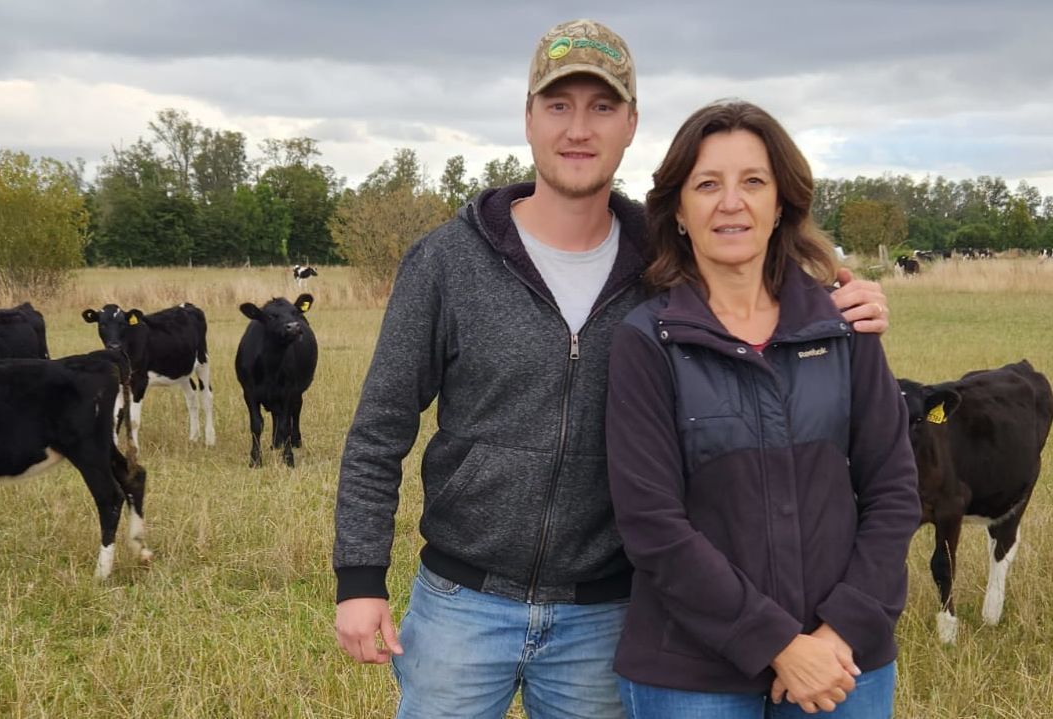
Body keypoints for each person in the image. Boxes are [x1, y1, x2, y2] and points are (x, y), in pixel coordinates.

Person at [333, 20, 890, 718]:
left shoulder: (665, 265)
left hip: (605, 613)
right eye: (558, 105)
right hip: (463, 603)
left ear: (631, 124)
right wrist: (360, 578)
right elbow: (380, 426)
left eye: (601, 107)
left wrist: (842, 295)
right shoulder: (448, 261)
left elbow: (761, 259)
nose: (578, 128)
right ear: (528, 118)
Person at [605, 99, 920, 718]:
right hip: (691, 674)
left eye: (753, 181)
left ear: (782, 204)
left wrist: (841, 629)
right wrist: (778, 644)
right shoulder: (647, 342)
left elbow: (894, 490)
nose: (732, 202)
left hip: (844, 665)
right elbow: (652, 526)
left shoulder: (843, 328)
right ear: (678, 211)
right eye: (707, 185)